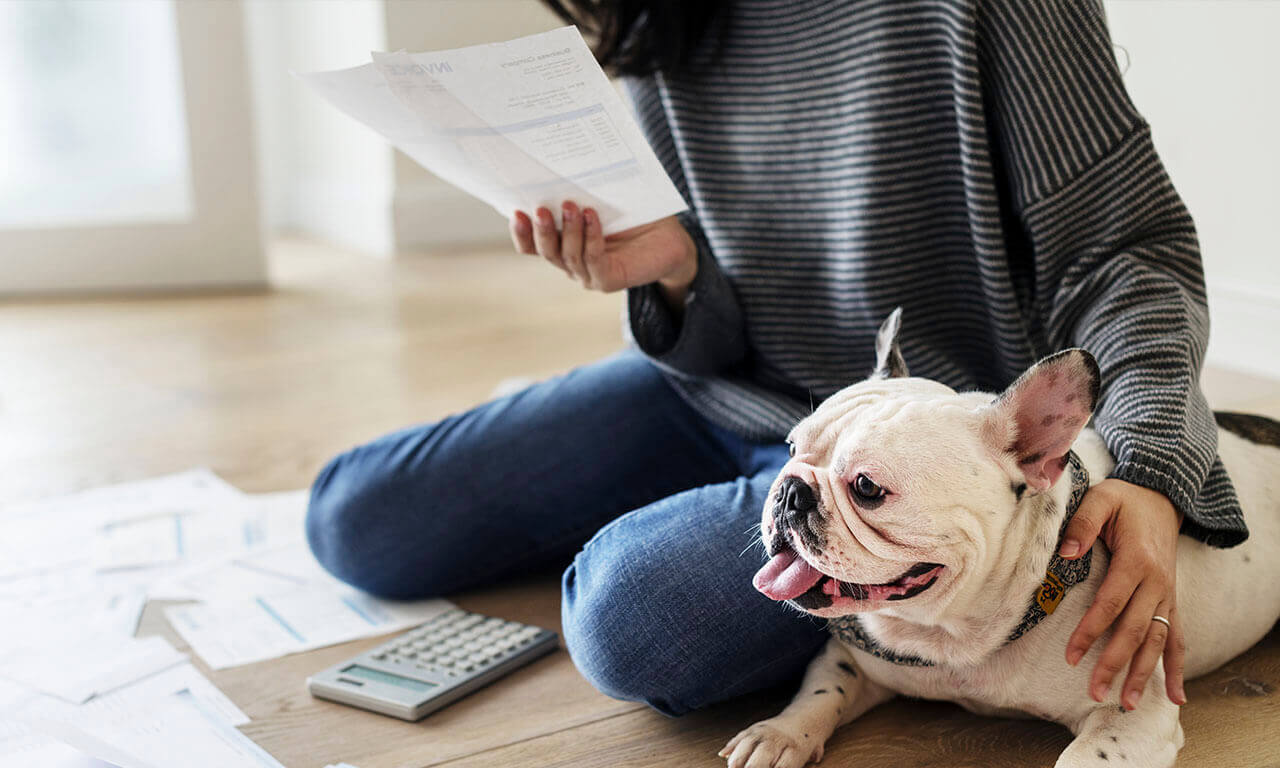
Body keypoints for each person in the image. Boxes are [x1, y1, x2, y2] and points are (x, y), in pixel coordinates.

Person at [306, 0, 1247, 719]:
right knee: (355, 521)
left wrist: (1156, 466)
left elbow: (1129, 253)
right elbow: (715, 314)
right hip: (727, 393)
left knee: (630, 623)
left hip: (921, 451)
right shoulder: (658, 13)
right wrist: (675, 276)